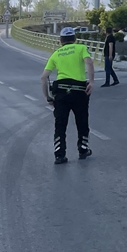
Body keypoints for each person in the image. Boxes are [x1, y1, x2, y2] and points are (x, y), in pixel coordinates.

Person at [40, 26, 95, 164]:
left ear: (61, 40)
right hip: (79, 90)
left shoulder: (56, 54)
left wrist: (47, 97)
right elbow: (89, 62)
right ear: (75, 39)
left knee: (60, 124)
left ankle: (59, 155)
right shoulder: (81, 48)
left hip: (61, 92)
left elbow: (43, 77)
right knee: (82, 121)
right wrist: (92, 82)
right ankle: (83, 149)